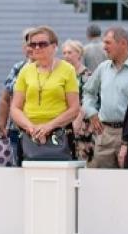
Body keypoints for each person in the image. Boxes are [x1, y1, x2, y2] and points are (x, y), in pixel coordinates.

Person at [11, 26, 80, 160]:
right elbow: (15, 108)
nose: (36, 48)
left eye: (42, 44)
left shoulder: (68, 70)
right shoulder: (25, 71)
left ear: (54, 46)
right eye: (32, 44)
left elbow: (74, 108)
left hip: (59, 133)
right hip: (29, 134)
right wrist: (31, 128)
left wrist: (49, 126)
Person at [83, 27, 128, 168]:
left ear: (123, 43)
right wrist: (92, 113)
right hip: (104, 135)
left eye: (108, 43)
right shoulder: (103, 68)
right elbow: (88, 92)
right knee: (101, 183)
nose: (104, 47)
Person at [0, 28, 35, 157]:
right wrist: (1, 125)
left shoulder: (55, 68)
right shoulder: (18, 68)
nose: (31, 48)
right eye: (28, 45)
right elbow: (5, 99)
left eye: (35, 45)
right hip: (16, 129)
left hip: (43, 129)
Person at [62, 39, 93, 162]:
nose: (66, 56)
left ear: (79, 54)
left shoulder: (87, 75)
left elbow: (88, 100)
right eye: (64, 53)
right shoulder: (63, 74)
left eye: (70, 52)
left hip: (81, 124)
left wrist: (78, 121)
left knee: (81, 159)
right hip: (65, 122)